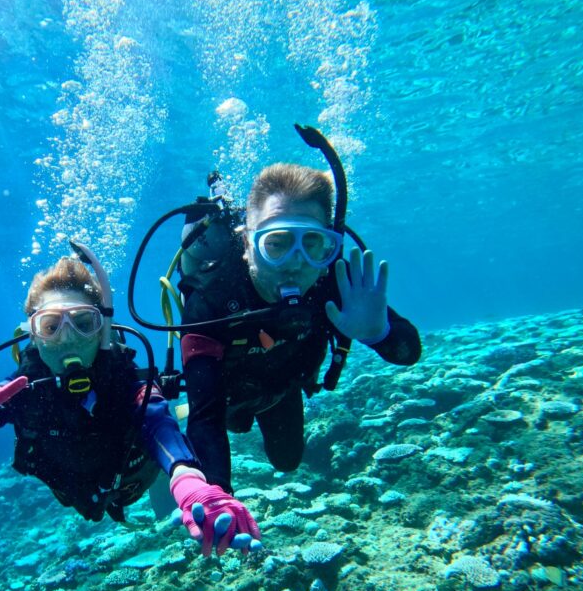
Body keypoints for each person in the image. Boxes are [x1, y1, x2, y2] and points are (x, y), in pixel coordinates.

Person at [0, 251, 260, 557]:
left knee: (162, 425)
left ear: (103, 331)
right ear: (33, 337)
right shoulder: (19, 388)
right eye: (50, 326)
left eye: (84, 323)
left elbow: (156, 422)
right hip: (76, 491)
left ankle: (166, 476)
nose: (68, 339)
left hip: (135, 477)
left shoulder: (125, 379)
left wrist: (187, 478)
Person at [180, 162, 421, 492]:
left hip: (283, 388)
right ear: (249, 244)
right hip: (223, 396)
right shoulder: (212, 301)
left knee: (288, 461)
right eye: (276, 243)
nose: (295, 263)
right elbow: (204, 417)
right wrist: (218, 494)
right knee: (224, 425)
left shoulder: (334, 283)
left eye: (311, 243)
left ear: (328, 246)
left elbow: (409, 352)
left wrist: (379, 334)